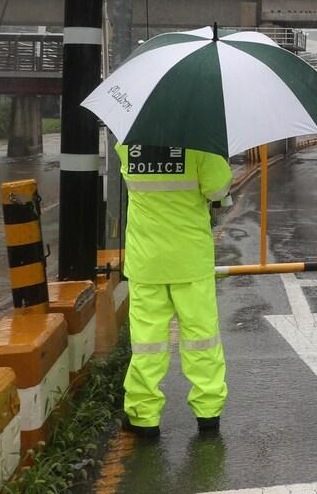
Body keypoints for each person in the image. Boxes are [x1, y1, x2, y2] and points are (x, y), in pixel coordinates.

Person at [116, 142, 232, 437]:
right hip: (190, 260)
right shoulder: (201, 143)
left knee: (146, 342)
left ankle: (143, 416)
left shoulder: (126, 142)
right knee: (201, 337)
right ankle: (208, 412)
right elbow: (218, 191)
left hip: (146, 261)